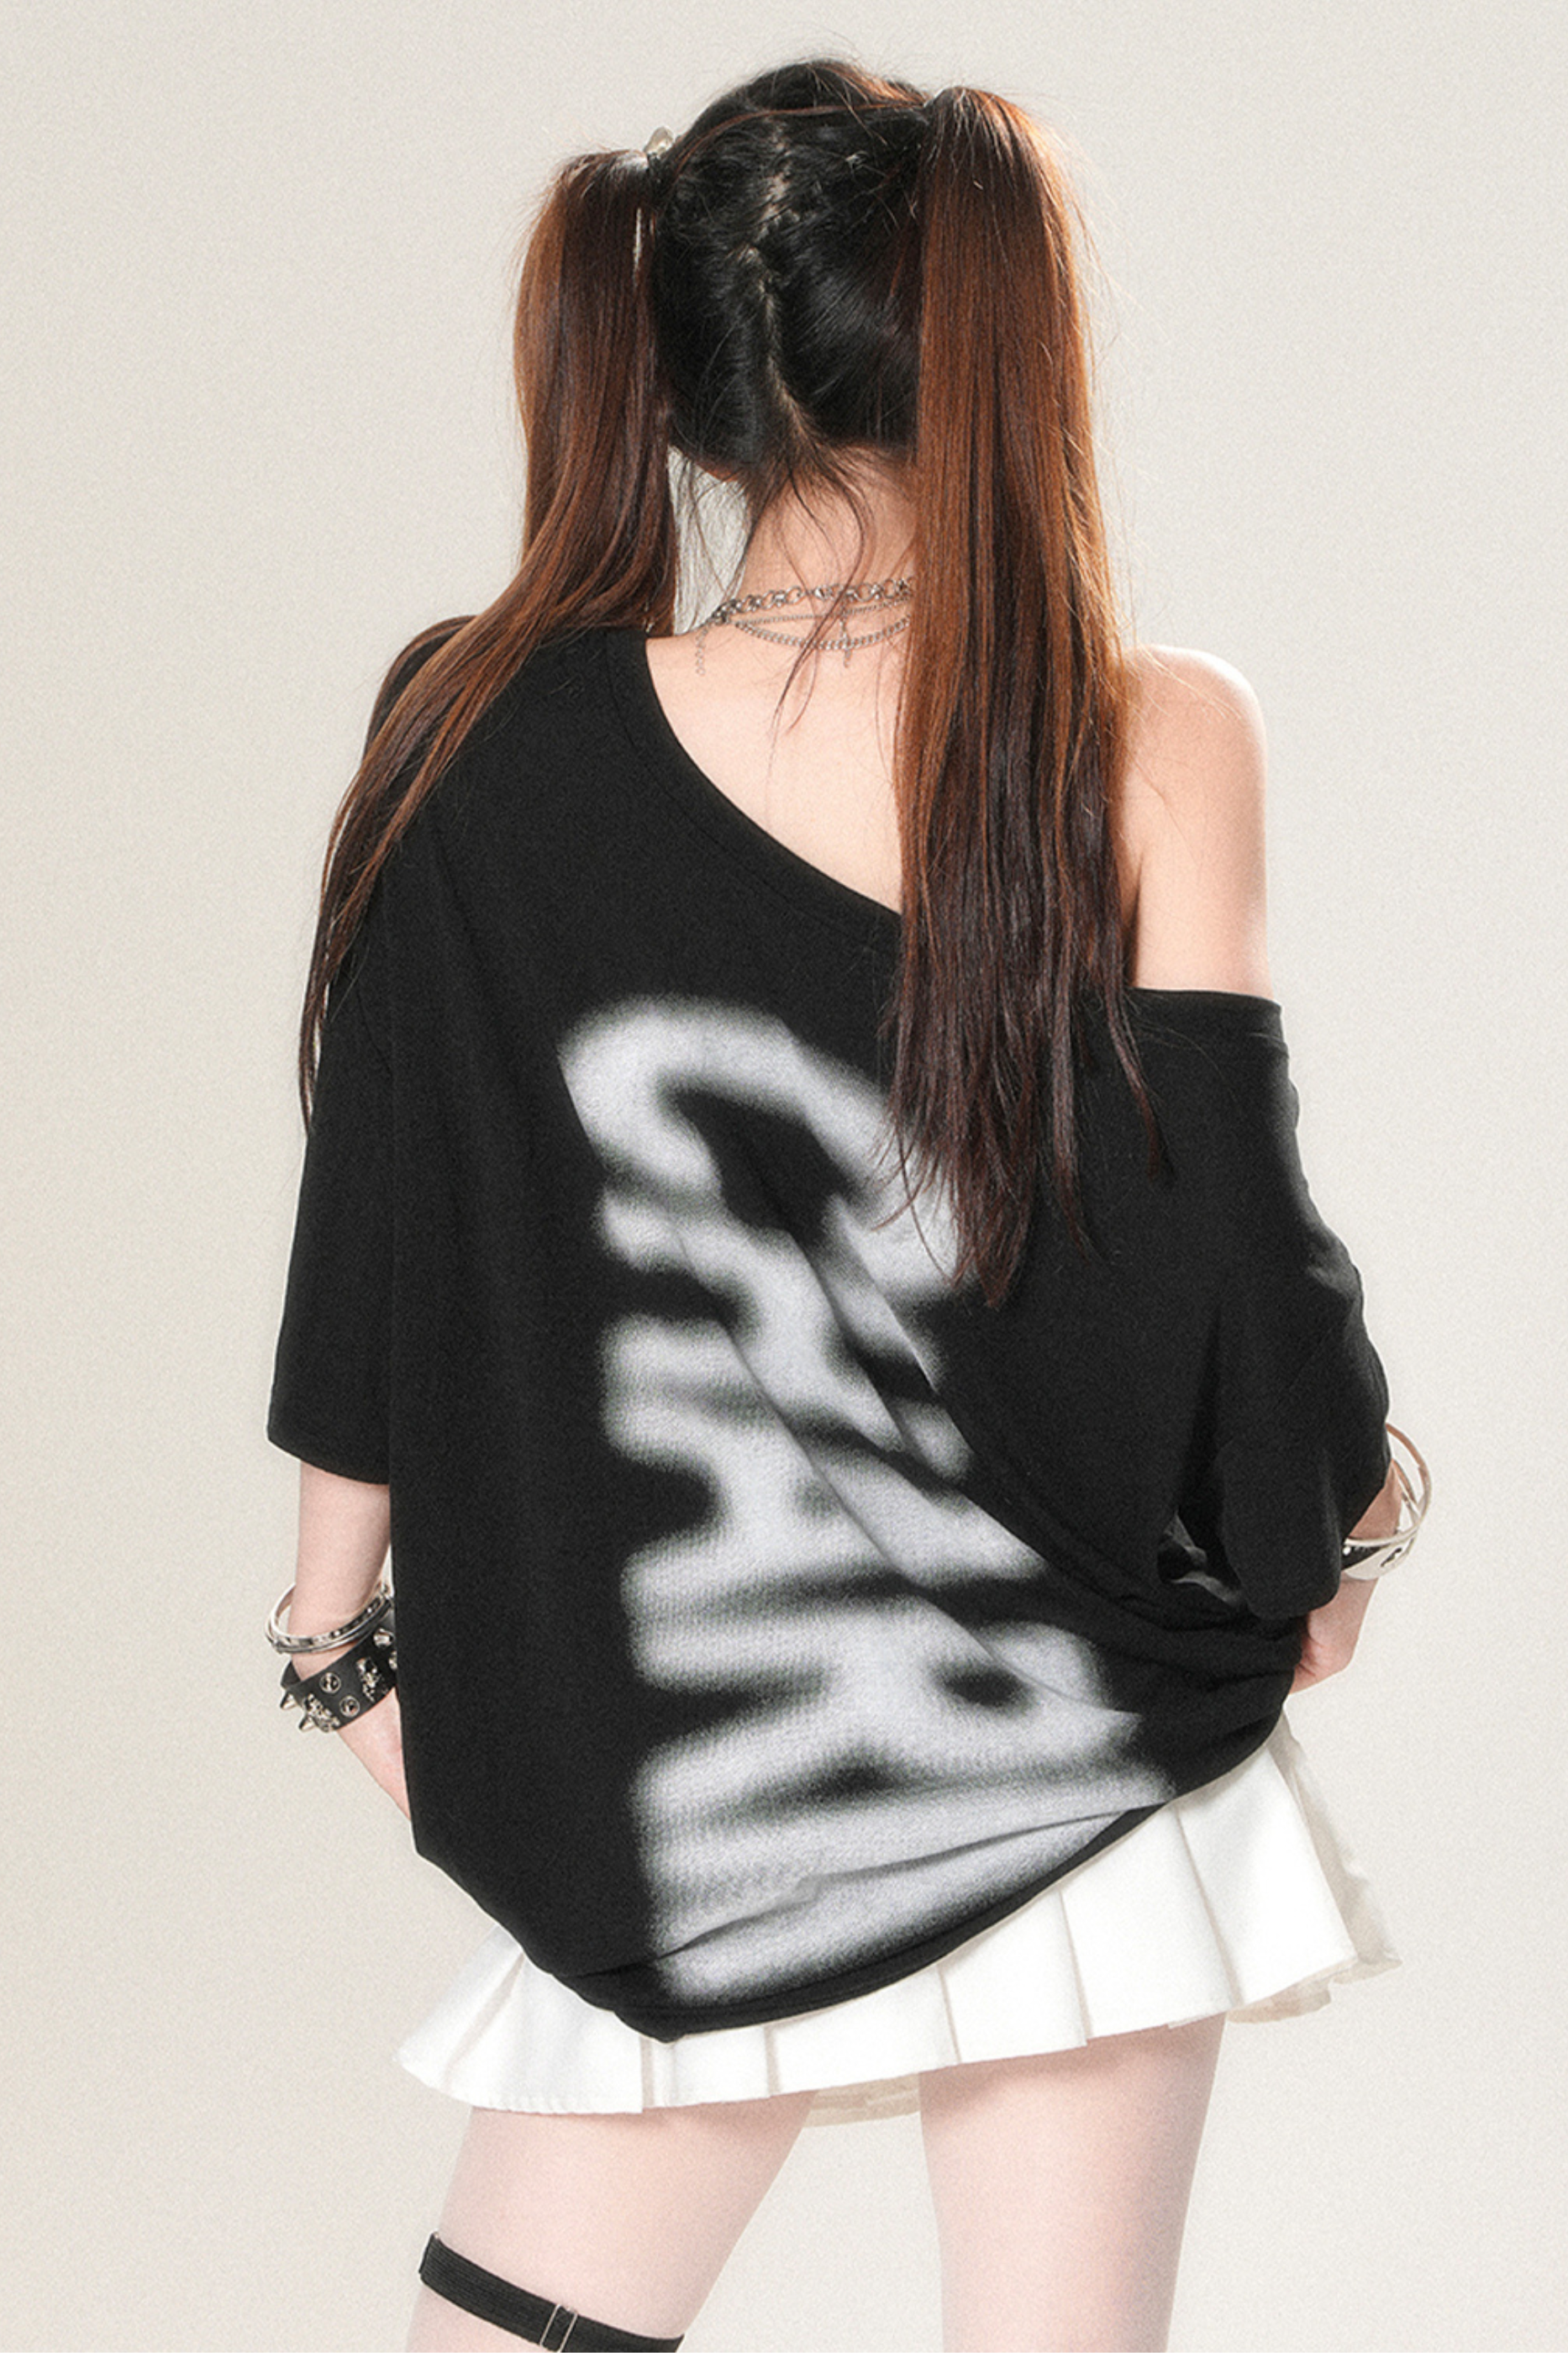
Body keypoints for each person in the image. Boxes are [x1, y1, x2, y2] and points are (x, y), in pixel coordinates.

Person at [265, 60, 1425, 2353]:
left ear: (680, 378)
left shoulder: (473, 733)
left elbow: (383, 1224)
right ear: (995, 346)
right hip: (1070, 1708)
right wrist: (1336, 1528)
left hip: (689, 1752)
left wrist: (335, 1633)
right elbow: (1233, 1254)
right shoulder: (1139, 730)